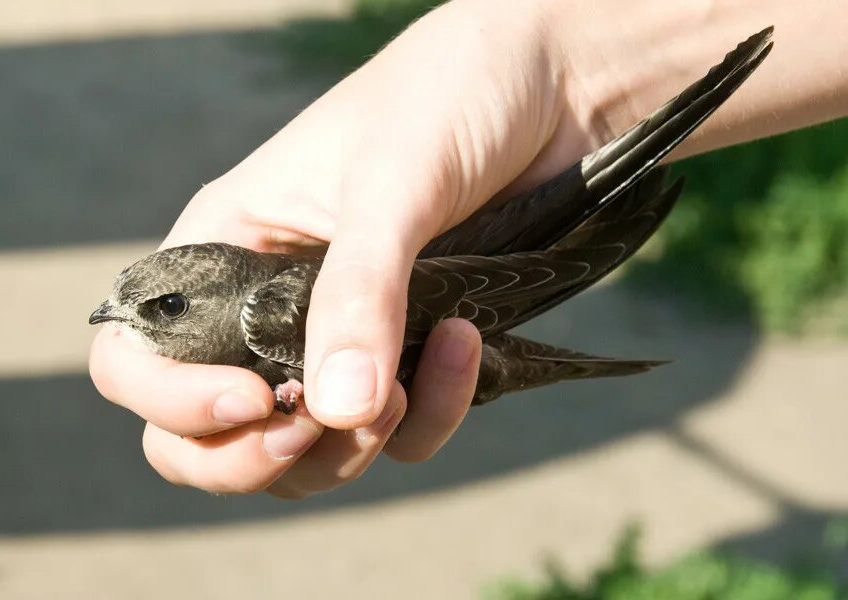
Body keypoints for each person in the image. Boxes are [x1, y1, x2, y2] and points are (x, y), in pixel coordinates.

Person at [88, 0, 847, 498]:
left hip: (466, 291)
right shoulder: (225, 318)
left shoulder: (269, 311)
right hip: (458, 310)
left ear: (221, 295)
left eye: (163, 306)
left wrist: (561, 66)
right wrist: (562, 65)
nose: (124, 318)